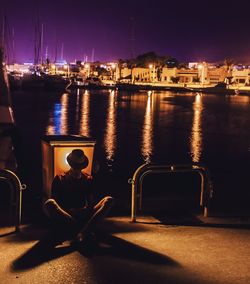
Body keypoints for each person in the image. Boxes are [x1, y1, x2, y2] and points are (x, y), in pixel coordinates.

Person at [43, 149, 114, 247]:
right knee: (49, 203)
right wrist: (72, 210)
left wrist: (84, 211)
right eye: (75, 166)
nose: (77, 169)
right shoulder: (60, 178)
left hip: (84, 214)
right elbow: (56, 203)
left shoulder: (88, 178)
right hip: (68, 214)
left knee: (109, 200)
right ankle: (85, 230)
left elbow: (90, 203)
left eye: (78, 167)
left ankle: (80, 232)